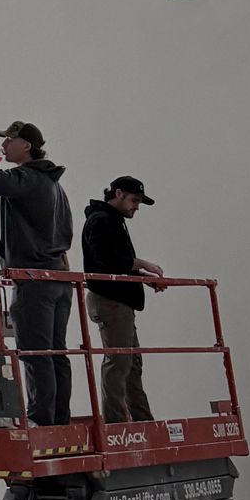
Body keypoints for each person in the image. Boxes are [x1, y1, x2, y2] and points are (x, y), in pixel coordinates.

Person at [0, 121, 74, 425]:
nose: (4, 146)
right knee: (55, 353)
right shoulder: (54, 185)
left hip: (34, 279)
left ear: (26, 145)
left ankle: (41, 419)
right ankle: (58, 419)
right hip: (58, 277)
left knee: (35, 353)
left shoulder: (28, 177)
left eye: (9, 140)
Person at [81, 176, 165, 424]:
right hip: (110, 300)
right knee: (119, 363)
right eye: (134, 200)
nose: (136, 207)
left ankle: (141, 421)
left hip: (117, 300)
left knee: (130, 364)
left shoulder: (110, 220)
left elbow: (113, 263)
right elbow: (108, 261)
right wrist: (142, 264)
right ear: (118, 193)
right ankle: (117, 424)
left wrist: (141, 277)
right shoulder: (101, 220)